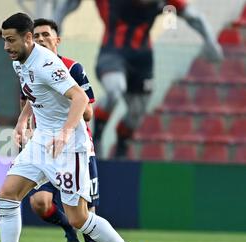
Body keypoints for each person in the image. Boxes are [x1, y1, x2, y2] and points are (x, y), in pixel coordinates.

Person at [0, 12, 145, 242]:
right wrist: (22, 121)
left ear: (27, 38)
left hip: (69, 145)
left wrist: (66, 132)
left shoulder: (46, 62)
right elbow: (36, 94)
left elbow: (80, 98)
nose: (6, 46)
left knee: (78, 218)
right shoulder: (20, 61)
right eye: (4, 40)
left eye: (11, 40)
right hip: (43, 139)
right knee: (7, 194)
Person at [52, 0, 224, 158]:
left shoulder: (166, 2)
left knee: (137, 112)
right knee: (115, 90)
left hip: (143, 59)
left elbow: (194, 17)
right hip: (112, 54)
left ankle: (122, 146)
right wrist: (55, 26)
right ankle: (97, 138)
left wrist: (211, 43)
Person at [21, 18, 102, 242]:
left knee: (87, 212)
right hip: (45, 146)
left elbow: (87, 111)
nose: (41, 38)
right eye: (37, 35)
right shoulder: (27, 65)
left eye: (46, 34)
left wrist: (70, 116)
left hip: (76, 148)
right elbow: (32, 100)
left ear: (57, 40)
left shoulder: (72, 68)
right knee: (39, 202)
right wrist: (24, 122)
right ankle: (67, 228)